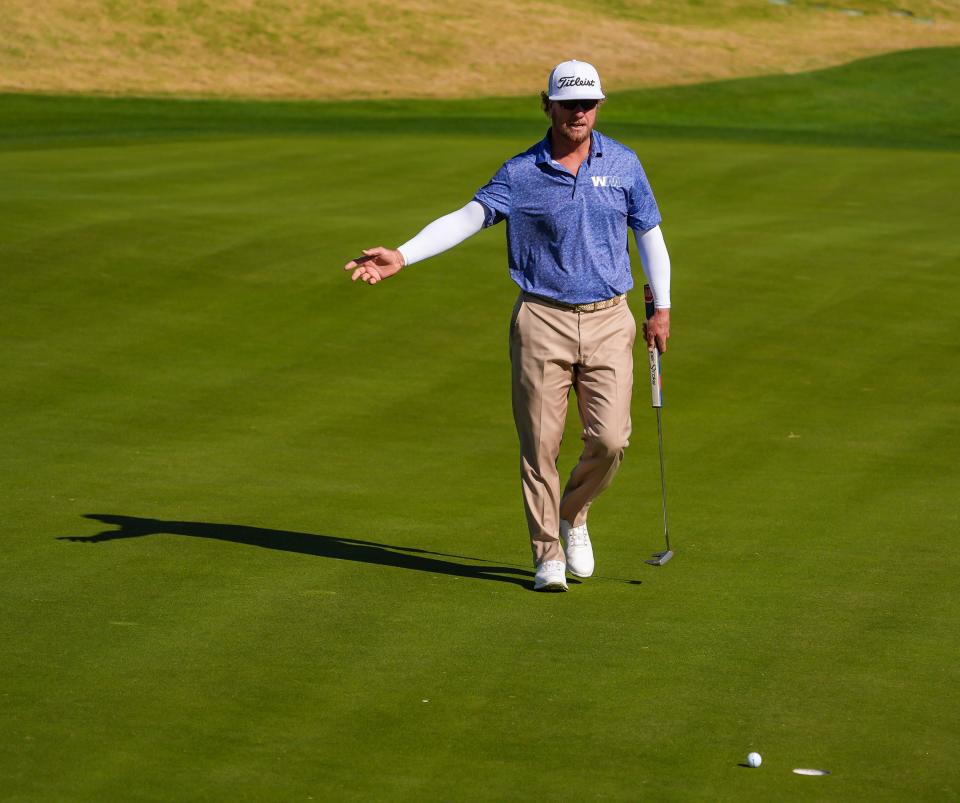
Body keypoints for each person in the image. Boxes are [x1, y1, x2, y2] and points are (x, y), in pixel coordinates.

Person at [344, 60, 671, 592]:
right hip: (541, 319)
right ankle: (547, 554)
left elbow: (649, 233)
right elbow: (468, 217)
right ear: (548, 106)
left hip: (610, 316)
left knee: (611, 439)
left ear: (599, 106)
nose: (579, 113)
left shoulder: (626, 165)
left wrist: (663, 308)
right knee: (540, 443)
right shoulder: (520, 172)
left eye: (588, 103)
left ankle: (574, 514)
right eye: (569, 104)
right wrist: (402, 255)